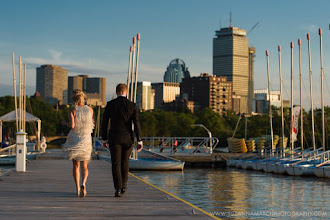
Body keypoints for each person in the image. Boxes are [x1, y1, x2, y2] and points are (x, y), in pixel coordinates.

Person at [101, 83, 143, 197]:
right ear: (127, 92)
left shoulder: (110, 104)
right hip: (128, 138)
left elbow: (104, 122)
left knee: (116, 163)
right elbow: (136, 123)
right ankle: (124, 185)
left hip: (114, 138)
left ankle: (118, 188)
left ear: (116, 92)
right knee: (125, 163)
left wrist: (104, 138)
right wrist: (140, 140)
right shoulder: (132, 105)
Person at [62, 89, 94, 197]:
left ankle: (77, 189)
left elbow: (72, 126)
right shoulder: (90, 109)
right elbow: (91, 124)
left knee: (76, 165)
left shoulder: (73, 110)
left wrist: (65, 122)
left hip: (75, 139)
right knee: (84, 165)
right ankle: (83, 183)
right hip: (86, 139)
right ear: (83, 98)